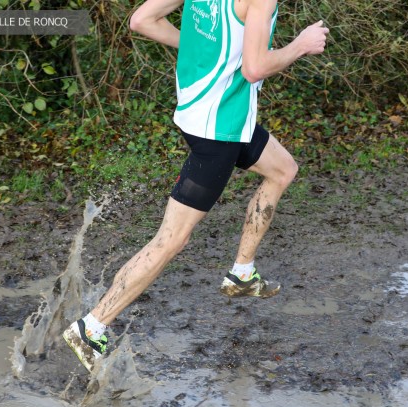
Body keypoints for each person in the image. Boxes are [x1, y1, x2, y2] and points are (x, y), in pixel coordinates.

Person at [64, 0, 328, 371]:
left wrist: (207, 49)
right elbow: (254, 69)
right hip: (218, 130)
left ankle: (242, 272)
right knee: (171, 240)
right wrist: (301, 44)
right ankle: (91, 327)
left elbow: (142, 21)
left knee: (283, 170)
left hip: (205, 114)